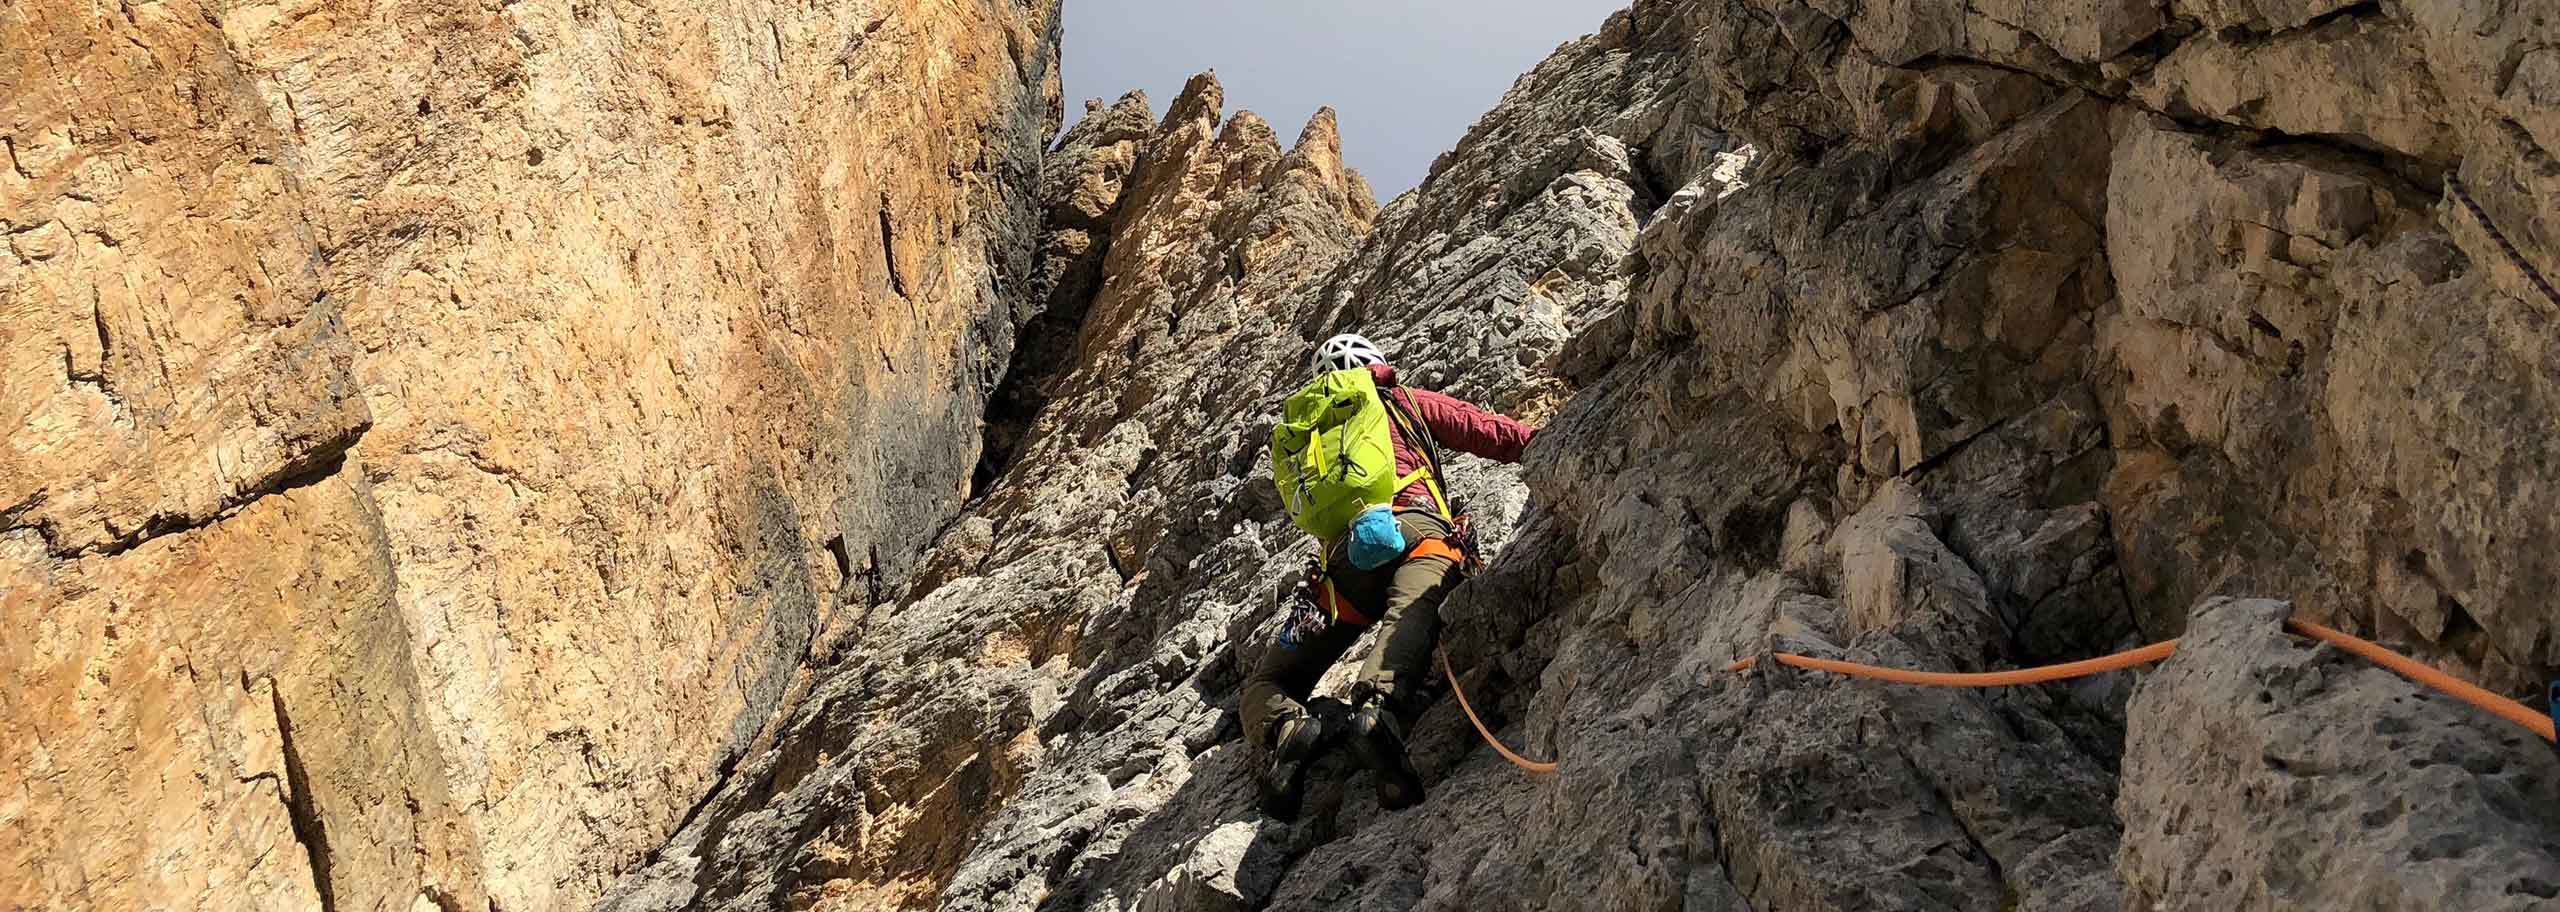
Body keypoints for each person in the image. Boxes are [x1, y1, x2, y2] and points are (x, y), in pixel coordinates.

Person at [1245, 332, 1537, 812]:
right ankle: (1376, 710)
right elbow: (1479, 428)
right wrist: (1548, 442)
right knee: (1412, 611)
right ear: (1376, 364)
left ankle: (1287, 727)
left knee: (1270, 681)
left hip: (1340, 572)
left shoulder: (1312, 433)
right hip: (1417, 532)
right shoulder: (1401, 401)